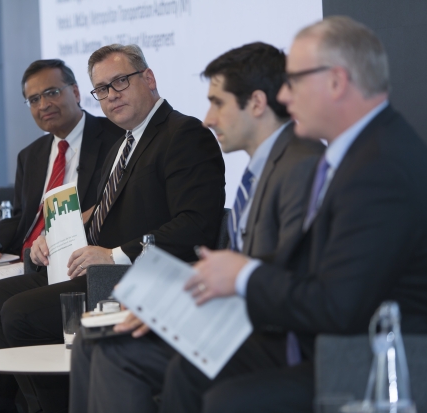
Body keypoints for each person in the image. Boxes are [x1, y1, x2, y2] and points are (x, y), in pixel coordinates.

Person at [160, 16, 427, 413]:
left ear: (336, 81)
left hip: (377, 360)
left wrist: (245, 276)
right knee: (189, 372)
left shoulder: (380, 167)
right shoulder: (361, 152)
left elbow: (337, 303)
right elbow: (312, 266)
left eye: (294, 81)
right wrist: (227, 275)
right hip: (337, 340)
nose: (284, 96)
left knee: (229, 401)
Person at [68, 41, 325, 413]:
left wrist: (179, 307)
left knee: (116, 353)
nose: (208, 118)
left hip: (275, 338)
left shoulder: (300, 166)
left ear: (256, 103)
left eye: (217, 103)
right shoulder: (268, 168)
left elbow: (287, 278)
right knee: (91, 342)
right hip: (239, 317)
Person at [0, 44, 225, 413]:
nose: (111, 96)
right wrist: (55, 238)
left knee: (19, 313)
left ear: (149, 79)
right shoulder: (122, 143)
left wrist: (114, 254)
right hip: (100, 272)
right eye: (102, 89)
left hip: (144, 277)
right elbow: (105, 215)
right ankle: (44, 404)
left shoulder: (183, 134)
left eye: (120, 82)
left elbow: (195, 226)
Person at [0, 59, 123, 413]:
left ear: (76, 92)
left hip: (64, 259)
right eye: (33, 99)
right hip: (22, 256)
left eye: (52, 92)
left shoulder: (112, 139)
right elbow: (22, 216)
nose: (43, 104)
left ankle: (1, 401)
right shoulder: (31, 155)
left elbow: (109, 208)